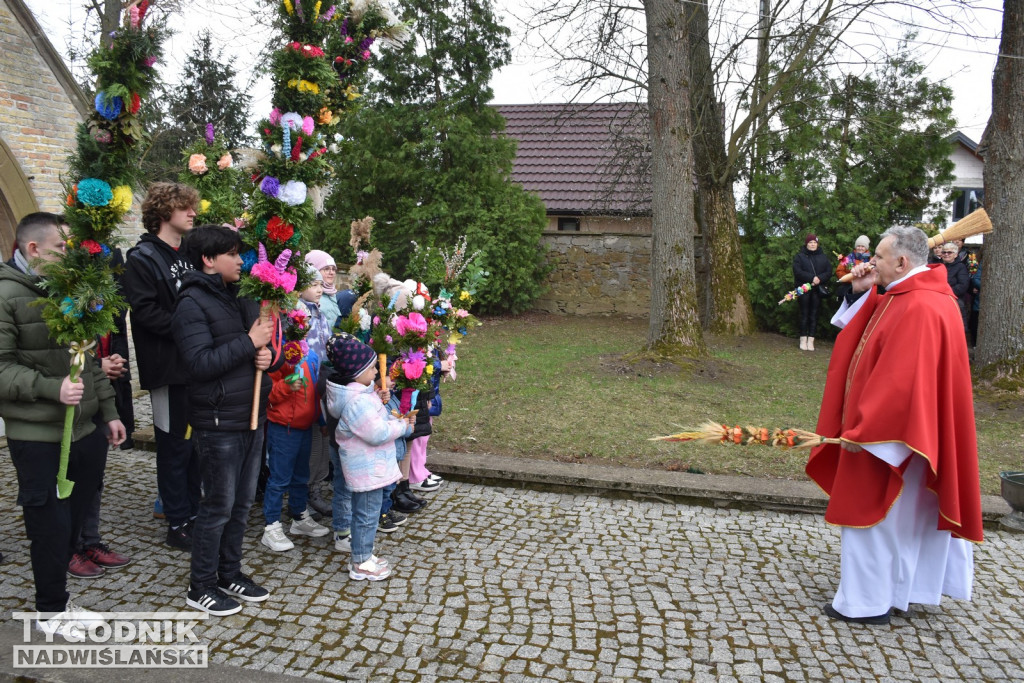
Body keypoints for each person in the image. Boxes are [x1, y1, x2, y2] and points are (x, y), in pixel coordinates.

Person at [806, 225, 982, 625]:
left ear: (902, 262)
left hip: (893, 437)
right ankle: (901, 591)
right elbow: (867, 337)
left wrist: (864, 431)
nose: (871, 264)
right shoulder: (913, 294)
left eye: (879, 259)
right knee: (905, 520)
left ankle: (867, 603)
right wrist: (863, 292)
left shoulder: (921, 305)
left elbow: (902, 380)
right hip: (911, 436)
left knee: (876, 515)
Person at [0, 212, 126, 638]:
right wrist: (51, 389)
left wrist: (108, 413)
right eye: (60, 249)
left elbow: (86, 359)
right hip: (39, 434)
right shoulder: (5, 294)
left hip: (85, 430)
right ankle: (50, 611)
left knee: (70, 521)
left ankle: (61, 601)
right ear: (32, 250)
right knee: (48, 525)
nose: (69, 257)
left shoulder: (63, 291)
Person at [172, 224, 279, 616]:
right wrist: (249, 343)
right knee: (218, 504)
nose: (240, 260)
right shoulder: (191, 304)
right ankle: (199, 585)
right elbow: (199, 364)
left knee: (241, 503)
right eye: (232, 254)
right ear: (208, 259)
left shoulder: (245, 297)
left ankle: (229, 572)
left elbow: (265, 349)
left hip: (252, 414)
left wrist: (270, 358)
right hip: (217, 421)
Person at [123, 182, 202, 550]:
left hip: (199, 364)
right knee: (174, 445)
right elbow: (146, 312)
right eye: (184, 207)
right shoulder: (142, 258)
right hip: (168, 368)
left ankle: (194, 509)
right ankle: (177, 521)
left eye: (192, 206)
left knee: (196, 444)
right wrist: (193, 325)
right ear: (163, 211)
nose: (192, 213)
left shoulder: (191, 250)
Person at [325, 334, 414, 581]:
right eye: (373, 367)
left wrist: (392, 416)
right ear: (357, 371)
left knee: (368, 514)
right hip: (367, 469)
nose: (376, 371)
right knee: (366, 516)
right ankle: (360, 562)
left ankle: (364, 553)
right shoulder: (357, 402)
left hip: (369, 467)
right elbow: (376, 433)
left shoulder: (360, 395)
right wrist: (402, 426)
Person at [261, 273, 331, 552]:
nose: (304, 330)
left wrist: (321, 418)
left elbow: (314, 392)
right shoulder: (279, 357)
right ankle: (271, 525)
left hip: (305, 424)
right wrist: (287, 387)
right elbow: (269, 394)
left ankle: (299, 515)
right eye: (299, 325)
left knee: (302, 475)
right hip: (284, 426)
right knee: (279, 477)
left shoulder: (310, 357)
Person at [792, 234, 831, 351]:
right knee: (804, 314)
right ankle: (803, 339)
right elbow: (797, 271)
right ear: (806, 244)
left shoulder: (823, 257)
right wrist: (811, 278)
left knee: (814, 315)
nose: (812, 244)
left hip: (817, 291)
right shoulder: (800, 257)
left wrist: (819, 279)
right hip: (804, 289)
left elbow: (828, 271)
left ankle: (811, 340)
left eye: (814, 242)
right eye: (810, 242)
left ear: (817, 244)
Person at [940, 241, 970, 337]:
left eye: (949, 252)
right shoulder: (939, 266)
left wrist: (945, 292)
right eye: (944, 252)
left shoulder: (961, 267)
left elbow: (963, 285)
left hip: (954, 300)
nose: (946, 254)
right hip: (939, 300)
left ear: (956, 254)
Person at [833, 235, 871, 305]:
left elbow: (874, 275)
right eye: (858, 246)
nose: (860, 248)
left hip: (864, 290)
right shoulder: (848, 258)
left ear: (866, 248)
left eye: (862, 246)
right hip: (849, 287)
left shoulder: (870, 260)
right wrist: (851, 278)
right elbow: (839, 271)